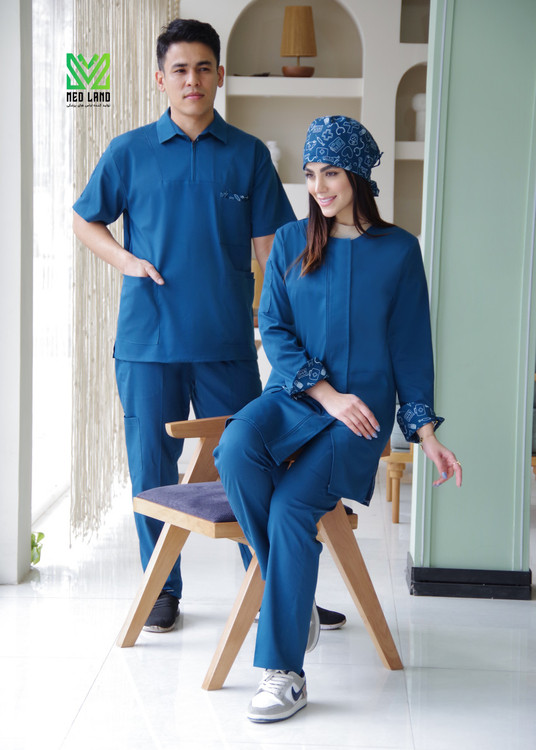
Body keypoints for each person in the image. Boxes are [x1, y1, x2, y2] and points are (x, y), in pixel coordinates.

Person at [72, 19, 345, 633]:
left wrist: (307, 326)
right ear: (160, 79)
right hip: (147, 343)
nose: (191, 80)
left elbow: (273, 253)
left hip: (227, 344)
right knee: (152, 470)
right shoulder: (128, 151)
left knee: (255, 462)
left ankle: (275, 587)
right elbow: (85, 220)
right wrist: (127, 261)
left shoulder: (248, 155)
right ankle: (161, 590)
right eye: (179, 69)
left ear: (219, 75)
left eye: (202, 68)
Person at [214, 115, 463, 724]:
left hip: (358, 418)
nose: (318, 187)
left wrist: (426, 431)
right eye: (310, 174)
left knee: (291, 509)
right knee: (235, 445)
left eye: (330, 173)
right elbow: (274, 327)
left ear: (356, 175)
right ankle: (294, 602)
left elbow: (411, 347)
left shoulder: (399, 251)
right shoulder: (290, 241)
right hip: (297, 395)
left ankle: (284, 673)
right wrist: (325, 394)